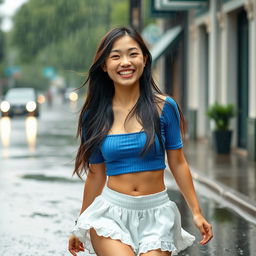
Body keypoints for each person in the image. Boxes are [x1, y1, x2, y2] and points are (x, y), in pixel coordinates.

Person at [68, 27, 213, 256]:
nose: (125, 62)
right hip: (110, 214)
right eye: (116, 56)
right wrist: (80, 224)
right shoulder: (93, 115)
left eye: (133, 54)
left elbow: (178, 163)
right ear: (105, 66)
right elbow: (96, 174)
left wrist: (196, 212)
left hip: (157, 213)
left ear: (144, 59)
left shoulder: (165, 108)